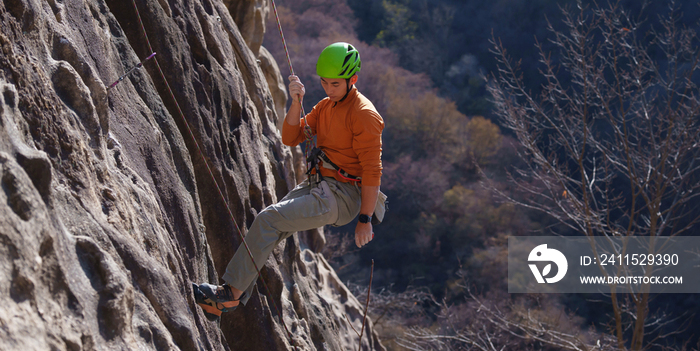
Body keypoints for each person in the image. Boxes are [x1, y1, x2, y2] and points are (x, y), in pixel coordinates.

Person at [193, 42, 385, 318]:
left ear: (352, 79)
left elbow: (372, 171)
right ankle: (229, 297)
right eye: (324, 83)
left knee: (268, 219)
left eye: (334, 84)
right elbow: (290, 137)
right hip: (321, 185)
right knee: (272, 227)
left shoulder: (364, 115)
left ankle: (229, 296)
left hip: (343, 196)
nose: (328, 90)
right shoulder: (325, 106)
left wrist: (365, 220)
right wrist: (296, 103)